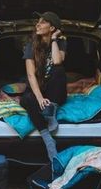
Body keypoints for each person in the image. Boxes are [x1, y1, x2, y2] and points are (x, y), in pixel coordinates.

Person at [20, 11, 67, 162]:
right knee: (27, 99)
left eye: (42, 22)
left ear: (52, 28)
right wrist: (39, 98)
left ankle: (51, 112)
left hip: (55, 91)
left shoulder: (61, 42)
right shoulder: (31, 46)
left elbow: (58, 61)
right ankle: (48, 139)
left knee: (59, 70)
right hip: (38, 88)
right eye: (37, 22)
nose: (37, 25)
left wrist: (54, 40)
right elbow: (31, 75)